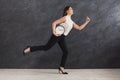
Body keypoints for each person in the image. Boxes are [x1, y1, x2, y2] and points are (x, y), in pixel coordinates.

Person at [23, 6, 91, 74]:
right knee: (46, 47)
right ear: (67, 11)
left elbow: (79, 28)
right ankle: (29, 48)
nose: (72, 10)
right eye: (70, 9)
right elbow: (54, 23)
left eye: (72, 9)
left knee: (66, 52)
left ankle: (61, 67)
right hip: (57, 35)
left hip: (62, 37)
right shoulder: (65, 18)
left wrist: (87, 22)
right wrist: (54, 32)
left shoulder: (71, 21)